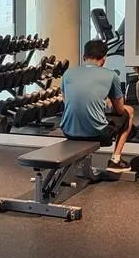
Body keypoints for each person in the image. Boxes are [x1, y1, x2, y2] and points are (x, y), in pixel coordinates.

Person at [58, 39, 135, 171]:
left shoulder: (67, 73)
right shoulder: (111, 75)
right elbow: (120, 110)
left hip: (68, 132)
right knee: (130, 111)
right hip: (97, 134)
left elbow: (68, 102)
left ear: (84, 57)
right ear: (104, 59)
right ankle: (116, 160)